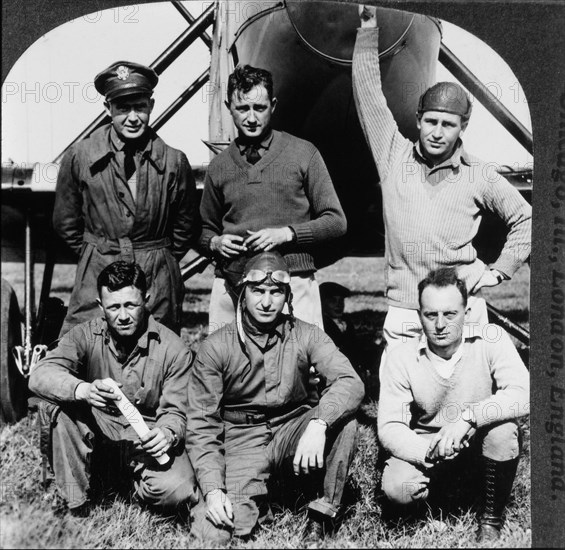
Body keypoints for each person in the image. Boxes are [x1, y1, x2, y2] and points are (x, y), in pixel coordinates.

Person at [352, 7, 531, 350]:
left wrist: (500, 270)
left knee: (465, 400)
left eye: (448, 124)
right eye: (431, 121)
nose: (437, 132)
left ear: (463, 127)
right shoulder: (392, 154)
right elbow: (368, 92)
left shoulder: (479, 173)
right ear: (418, 119)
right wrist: (367, 29)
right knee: (400, 402)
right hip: (406, 311)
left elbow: (527, 218)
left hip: (461, 308)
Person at [185, 251, 364, 545]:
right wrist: (214, 489)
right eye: (258, 291)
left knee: (344, 422)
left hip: (293, 428)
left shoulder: (307, 334)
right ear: (243, 292)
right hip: (241, 438)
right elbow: (202, 425)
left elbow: (350, 382)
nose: (266, 302)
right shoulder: (216, 346)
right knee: (216, 532)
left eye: (276, 292)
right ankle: (268, 496)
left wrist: (319, 424)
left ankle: (322, 515)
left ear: (287, 296)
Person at [28, 261, 198, 517]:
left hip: (144, 440)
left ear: (147, 300)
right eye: (114, 307)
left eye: (131, 305)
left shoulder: (174, 349)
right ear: (100, 306)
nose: (123, 315)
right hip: (97, 432)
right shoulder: (84, 335)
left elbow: (178, 411)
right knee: (55, 409)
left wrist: (167, 433)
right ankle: (76, 504)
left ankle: (118, 482)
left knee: (178, 491)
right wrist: (82, 390)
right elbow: (40, 374)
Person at [377, 267, 529, 542]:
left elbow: (523, 393)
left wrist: (469, 418)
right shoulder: (401, 357)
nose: (440, 324)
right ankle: (432, 503)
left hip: (477, 440)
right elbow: (390, 426)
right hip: (430, 446)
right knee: (398, 487)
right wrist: (427, 450)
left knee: (504, 431)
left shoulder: (491, 338)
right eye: (431, 314)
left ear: (467, 313)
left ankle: (490, 518)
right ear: (418, 315)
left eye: (450, 314)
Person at [54, 61, 200, 336]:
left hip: (156, 277)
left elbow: (186, 226)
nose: (133, 117)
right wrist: (98, 252)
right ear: (108, 109)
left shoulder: (174, 161)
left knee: (157, 356)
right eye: (123, 108)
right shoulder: (80, 157)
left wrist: (156, 256)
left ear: (151, 106)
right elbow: (66, 222)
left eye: (140, 106)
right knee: (86, 348)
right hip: (97, 271)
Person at [199, 64, 347, 331]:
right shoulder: (219, 166)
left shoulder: (303, 154)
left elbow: (336, 221)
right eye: (243, 109)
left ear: (274, 105)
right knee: (226, 366)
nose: (252, 118)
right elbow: (203, 229)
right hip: (232, 282)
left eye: (260, 108)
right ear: (228, 107)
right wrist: (215, 242)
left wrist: (287, 234)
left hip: (293, 281)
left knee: (300, 366)